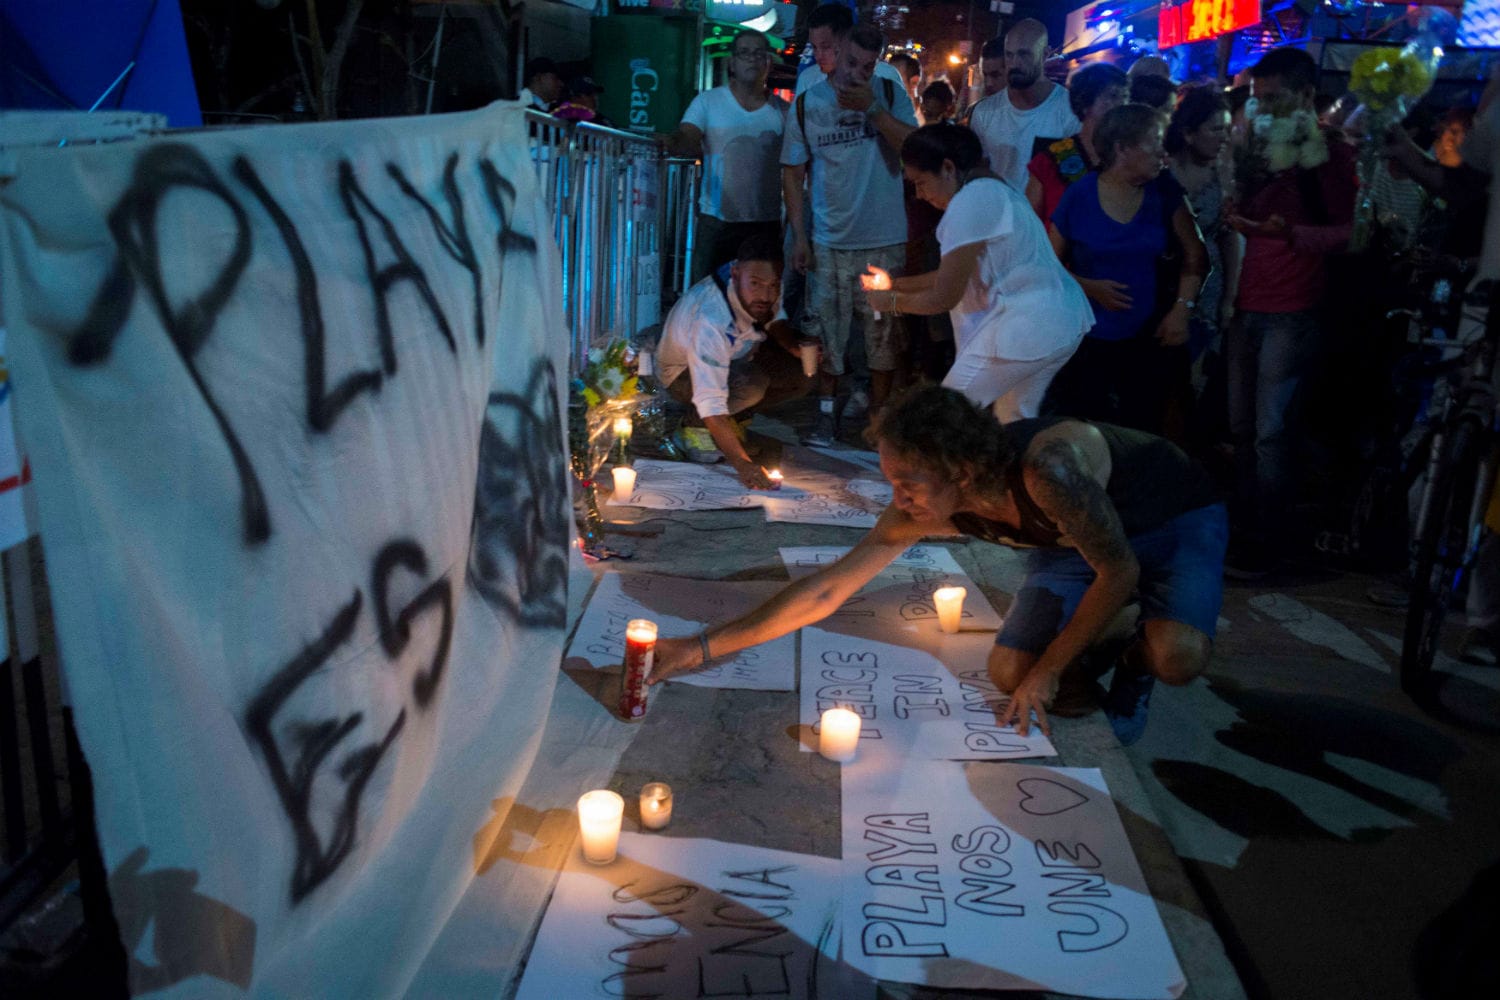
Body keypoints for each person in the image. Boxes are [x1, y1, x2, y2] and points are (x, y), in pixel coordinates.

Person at [647, 385, 1228, 746]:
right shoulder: (931, 507)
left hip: (1171, 518)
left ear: (963, 472)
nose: (897, 498)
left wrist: (1050, 670)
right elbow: (825, 592)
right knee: (1008, 672)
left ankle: (1141, 660)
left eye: (908, 483)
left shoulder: (1049, 473)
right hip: (1074, 543)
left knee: (1177, 655)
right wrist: (697, 649)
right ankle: (1125, 634)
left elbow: (1118, 569)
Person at [1223, 46, 1357, 575]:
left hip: (1295, 309)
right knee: (1242, 429)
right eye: (1259, 99)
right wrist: (1242, 214)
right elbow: (1253, 214)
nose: (1264, 109)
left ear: (1306, 96)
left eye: (1274, 99)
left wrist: (1292, 234)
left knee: (1271, 433)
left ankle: (1268, 540)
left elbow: (1352, 234)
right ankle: (1245, 529)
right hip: (1248, 302)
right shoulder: (1259, 149)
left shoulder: (1331, 155)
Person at [861, 124, 1092, 421]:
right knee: (1014, 420)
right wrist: (894, 284)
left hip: (1025, 327)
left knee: (942, 419)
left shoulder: (971, 201)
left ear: (947, 168)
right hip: (1057, 322)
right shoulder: (995, 189)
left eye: (920, 182)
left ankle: (916, 467)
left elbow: (943, 296)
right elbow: (952, 273)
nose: (919, 195)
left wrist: (890, 302)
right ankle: (1012, 466)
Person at [782, 21, 918, 445]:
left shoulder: (890, 93)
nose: (859, 72)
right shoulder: (807, 104)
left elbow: (915, 148)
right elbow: (792, 171)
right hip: (830, 239)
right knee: (827, 334)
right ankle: (826, 414)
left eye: (869, 64)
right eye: (853, 61)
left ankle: (877, 420)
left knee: (882, 338)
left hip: (884, 238)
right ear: (836, 54)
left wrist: (873, 111)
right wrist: (800, 237)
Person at [1046, 104, 1208, 434]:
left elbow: (1196, 255)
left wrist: (1182, 310)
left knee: (1144, 426)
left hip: (1151, 335)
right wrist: (1088, 286)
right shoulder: (1079, 196)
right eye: (1154, 141)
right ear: (1122, 147)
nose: (1163, 152)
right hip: (1088, 338)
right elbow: (1046, 265)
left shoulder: (1164, 191)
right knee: (1090, 425)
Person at [656, 233, 817, 488]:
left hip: (734, 360)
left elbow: (775, 317)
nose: (766, 294)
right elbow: (710, 399)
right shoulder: (711, 319)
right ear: (735, 273)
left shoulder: (767, 281)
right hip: (681, 373)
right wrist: (743, 465)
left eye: (773, 285)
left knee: (801, 375)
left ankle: (731, 423)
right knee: (752, 385)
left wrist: (793, 347)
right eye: (755, 284)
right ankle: (692, 425)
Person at [667, 30, 786, 283]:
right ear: (732, 62)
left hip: (765, 222)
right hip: (717, 221)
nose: (752, 59)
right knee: (708, 296)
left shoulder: (782, 112)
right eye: (744, 53)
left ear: (768, 62)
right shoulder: (708, 102)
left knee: (761, 299)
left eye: (758, 53)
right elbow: (688, 136)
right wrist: (671, 143)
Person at [1166, 86, 1239, 362]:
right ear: (1188, 133)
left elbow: (1229, 239)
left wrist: (1230, 298)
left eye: (1227, 129)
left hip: (1208, 290)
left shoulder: (1223, 178)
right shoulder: (1162, 171)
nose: (1224, 138)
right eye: (1216, 129)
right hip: (1165, 283)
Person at [967, 19, 1079, 193]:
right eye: (1009, 55)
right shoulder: (984, 112)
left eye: (1024, 54)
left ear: (1045, 54)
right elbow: (976, 174)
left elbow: (1073, 182)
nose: (1015, 63)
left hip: (1043, 219)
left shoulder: (1070, 110)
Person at [1025, 62, 1128, 224]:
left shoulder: (1129, 158)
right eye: (1113, 96)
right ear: (1086, 104)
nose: (1122, 105)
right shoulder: (1050, 161)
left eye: (1125, 97)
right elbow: (1027, 225)